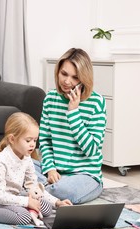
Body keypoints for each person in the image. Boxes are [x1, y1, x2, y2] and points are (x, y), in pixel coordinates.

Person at [0, 112, 72, 226]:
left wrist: (58, 203)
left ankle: (24, 208)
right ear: (12, 139)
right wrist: (27, 202)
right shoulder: (0, 161)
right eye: (28, 140)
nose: (32, 145)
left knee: (47, 208)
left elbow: (34, 188)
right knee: (24, 217)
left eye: (35, 140)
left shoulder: (26, 158)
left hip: (13, 197)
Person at [36, 48, 107, 204]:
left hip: (85, 176)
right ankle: (39, 192)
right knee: (13, 165)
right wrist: (50, 168)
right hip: (55, 172)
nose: (67, 81)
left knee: (64, 191)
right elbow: (45, 141)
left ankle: (31, 194)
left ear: (84, 79)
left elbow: (92, 150)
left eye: (75, 77)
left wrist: (73, 113)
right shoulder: (50, 99)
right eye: (64, 74)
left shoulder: (96, 102)